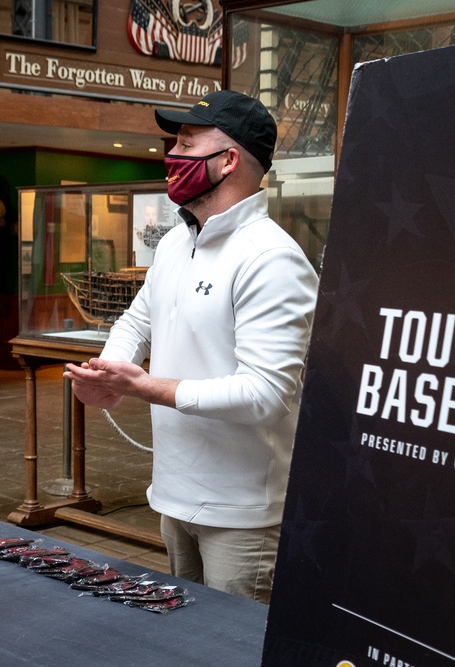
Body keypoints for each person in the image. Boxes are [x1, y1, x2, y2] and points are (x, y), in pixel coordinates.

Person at [64, 90, 318, 603]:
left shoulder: (271, 258)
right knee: (185, 637)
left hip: (242, 513)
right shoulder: (177, 242)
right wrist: (107, 372)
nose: (171, 155)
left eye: (185, 143)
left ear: (228, 160)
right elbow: (137, 321)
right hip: (174, 495)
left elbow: (267, 394)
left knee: (232, 644)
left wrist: (146, 387)